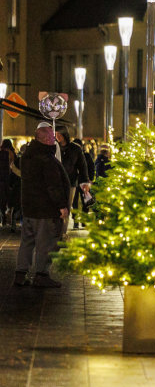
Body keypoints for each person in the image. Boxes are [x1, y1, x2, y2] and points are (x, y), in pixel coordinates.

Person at [15, 122, 72, 288]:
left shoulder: (27, 156)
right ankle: (41, 274)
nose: (54, 138)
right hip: (45, 209)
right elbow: (53, 186)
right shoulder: (46, 159)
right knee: (45, 244)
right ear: (46, 139)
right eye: (52, 136)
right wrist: (62, 206)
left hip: (29, 207)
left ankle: (20, 273)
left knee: (27, 241)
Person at [56, 128, 91, 231]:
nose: (58, 137)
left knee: (67, 206)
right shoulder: (54, 147)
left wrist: (85, 182)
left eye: (60, 134)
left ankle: (63, 231)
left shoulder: (75, 149)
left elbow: (82, 167)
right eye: (56, 134)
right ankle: (56, 231)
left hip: (70, 182)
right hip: (56, 182)